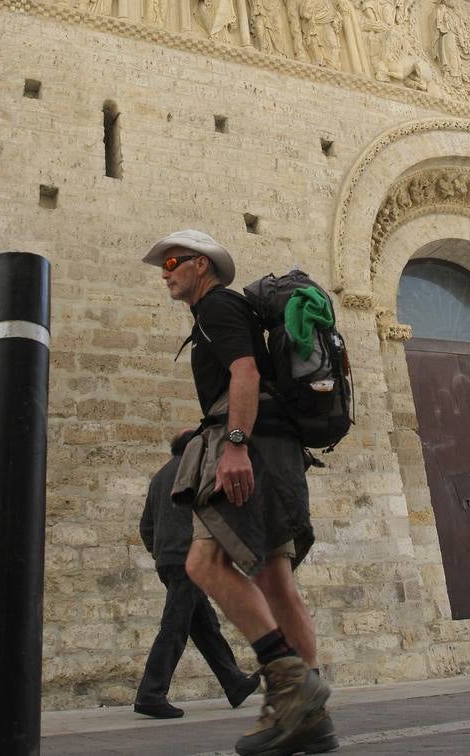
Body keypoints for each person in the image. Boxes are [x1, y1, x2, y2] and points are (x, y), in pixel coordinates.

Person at [142, 229, 337, 756]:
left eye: (174, 260)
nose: (165, 270)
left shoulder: (217, 307)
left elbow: (245, 372)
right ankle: (312, 718)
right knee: (275, 581)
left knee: (204, 564)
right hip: (277, 449)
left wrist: (232, 444)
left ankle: (289, 683)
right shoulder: (228, 312)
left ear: (202, 266)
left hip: (255, 450)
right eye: (163, 263)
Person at [136, 429, 260, 719]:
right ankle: (151, 693)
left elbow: (146, 527)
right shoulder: (198, 469)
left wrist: (160, 553)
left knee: (204, 625)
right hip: (189, 558)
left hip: (169, 561)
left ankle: (234, 682)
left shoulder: (159, 477)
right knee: (175, 625)